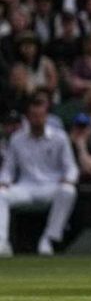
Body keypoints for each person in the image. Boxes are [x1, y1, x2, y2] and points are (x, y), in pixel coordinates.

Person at [0, 94, 79, 256]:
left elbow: (71, 167)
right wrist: (4, 181)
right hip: (26, 188)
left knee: (68, 191)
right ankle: (2, 243)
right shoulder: (17, 139)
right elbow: (8, 169)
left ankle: (48, 239)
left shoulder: (60, 137)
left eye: (40, 115)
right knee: (0, 194)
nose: (37, 119)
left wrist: (69, 179)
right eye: (33, 116)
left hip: (51, 188)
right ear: (27, 117)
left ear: (47, 116)